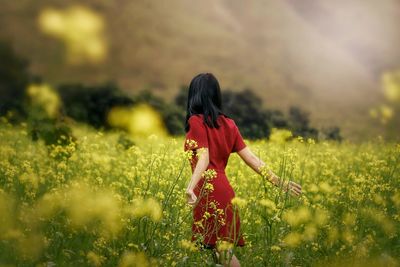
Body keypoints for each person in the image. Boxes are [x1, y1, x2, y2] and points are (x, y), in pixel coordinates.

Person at [183, 73, 302, 267]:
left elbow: (203, 157)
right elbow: (252, 159)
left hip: (209, 191)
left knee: (223, 251)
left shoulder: (196, 121)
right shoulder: (229, 124)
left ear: (194, 95)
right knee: (217, 251)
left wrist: (190, 187)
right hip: (224, 191)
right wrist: (280, 182)